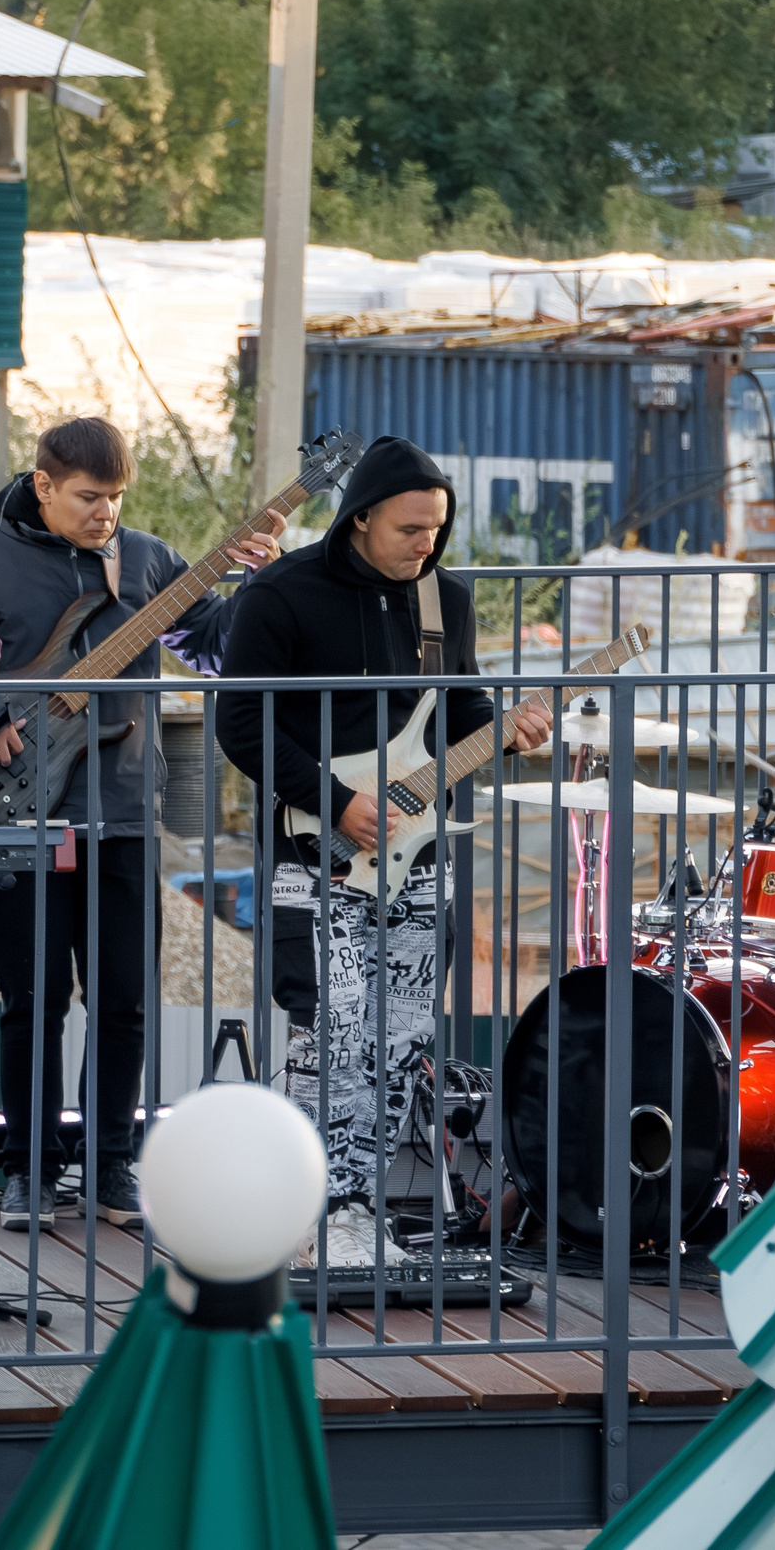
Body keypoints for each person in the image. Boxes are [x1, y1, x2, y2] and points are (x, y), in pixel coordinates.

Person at [0, 416, 281, 1232]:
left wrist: (256, 588)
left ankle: (110, 1166)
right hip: (18, 813)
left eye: (116, 498)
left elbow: (214, 648)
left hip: (127, 810)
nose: (106, 513)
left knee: (125, 1000)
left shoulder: (147, 559)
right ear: (43, 485)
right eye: (89, 497)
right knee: (32, 1001)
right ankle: (28, 1170)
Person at [215, 437, 553, 1267]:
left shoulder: (446, 601)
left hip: (419, 853)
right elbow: (240, 723)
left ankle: (358, 1211)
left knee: (399, 1040)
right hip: (315, 848)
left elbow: (458, 709)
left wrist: (509, 730)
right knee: (329, 1033)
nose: (426, 544)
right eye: (409, 528)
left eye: (437, 529)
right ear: (360, 518)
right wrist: (337, 801)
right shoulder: (281, 594)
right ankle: (308, 1211)